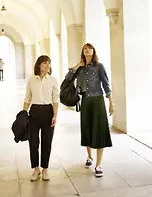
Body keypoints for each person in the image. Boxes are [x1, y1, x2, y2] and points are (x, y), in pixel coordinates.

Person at [65, 43, 114, 177]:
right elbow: (67, 78)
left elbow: (106, 84)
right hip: (85, 100)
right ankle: (89, 157)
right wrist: (77, 66)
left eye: (90, 48)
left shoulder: (99, 66)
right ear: (83, 51)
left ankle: (98, 165)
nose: (87, 50)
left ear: (93, 51)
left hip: (97, 100)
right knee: (86, 128)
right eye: (85, 48)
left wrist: (111, 101)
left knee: (99, 130)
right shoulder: (80, 69)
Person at [23, 55, 59, 181]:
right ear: (39, 65)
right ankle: (35, 169)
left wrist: (55, 115)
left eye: (49, 63)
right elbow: (27, 97)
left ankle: (45, 169)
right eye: (45, 63)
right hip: (34, 112)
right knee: (33, 142)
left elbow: (55, 99)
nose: (48, 65)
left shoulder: (53, 80)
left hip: (48, 111)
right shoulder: (32, 79)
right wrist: (23, 114)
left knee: (47, 142)